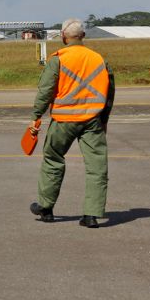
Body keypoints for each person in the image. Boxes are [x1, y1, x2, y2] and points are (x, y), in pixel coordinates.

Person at [28, 18, 115, 228]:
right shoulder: (99, 59)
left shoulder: (58, 59)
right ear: (83, 36)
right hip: (92, 120)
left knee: (53, 159)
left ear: (64, 37)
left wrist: (36, 116)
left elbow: (46, 90)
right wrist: (104, 120)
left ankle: (46, 208)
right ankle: (91, 215)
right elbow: (110, 92)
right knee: (97, 167)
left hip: (63, 121)